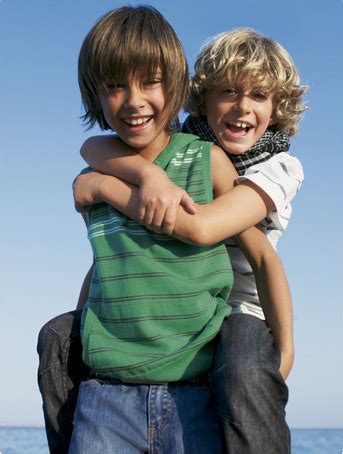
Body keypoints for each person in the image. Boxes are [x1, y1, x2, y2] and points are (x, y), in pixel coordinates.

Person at [36, 12, 300, 453]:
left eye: (150, 83)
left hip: (238, 324)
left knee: (246, 371)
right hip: (111, 396)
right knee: (57, 338)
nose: (134, 100)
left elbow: (219, 238)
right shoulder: (117, 158)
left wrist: (287, 352)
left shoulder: (241, 163)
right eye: (116, 86)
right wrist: (128, 176)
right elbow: (105, 262)